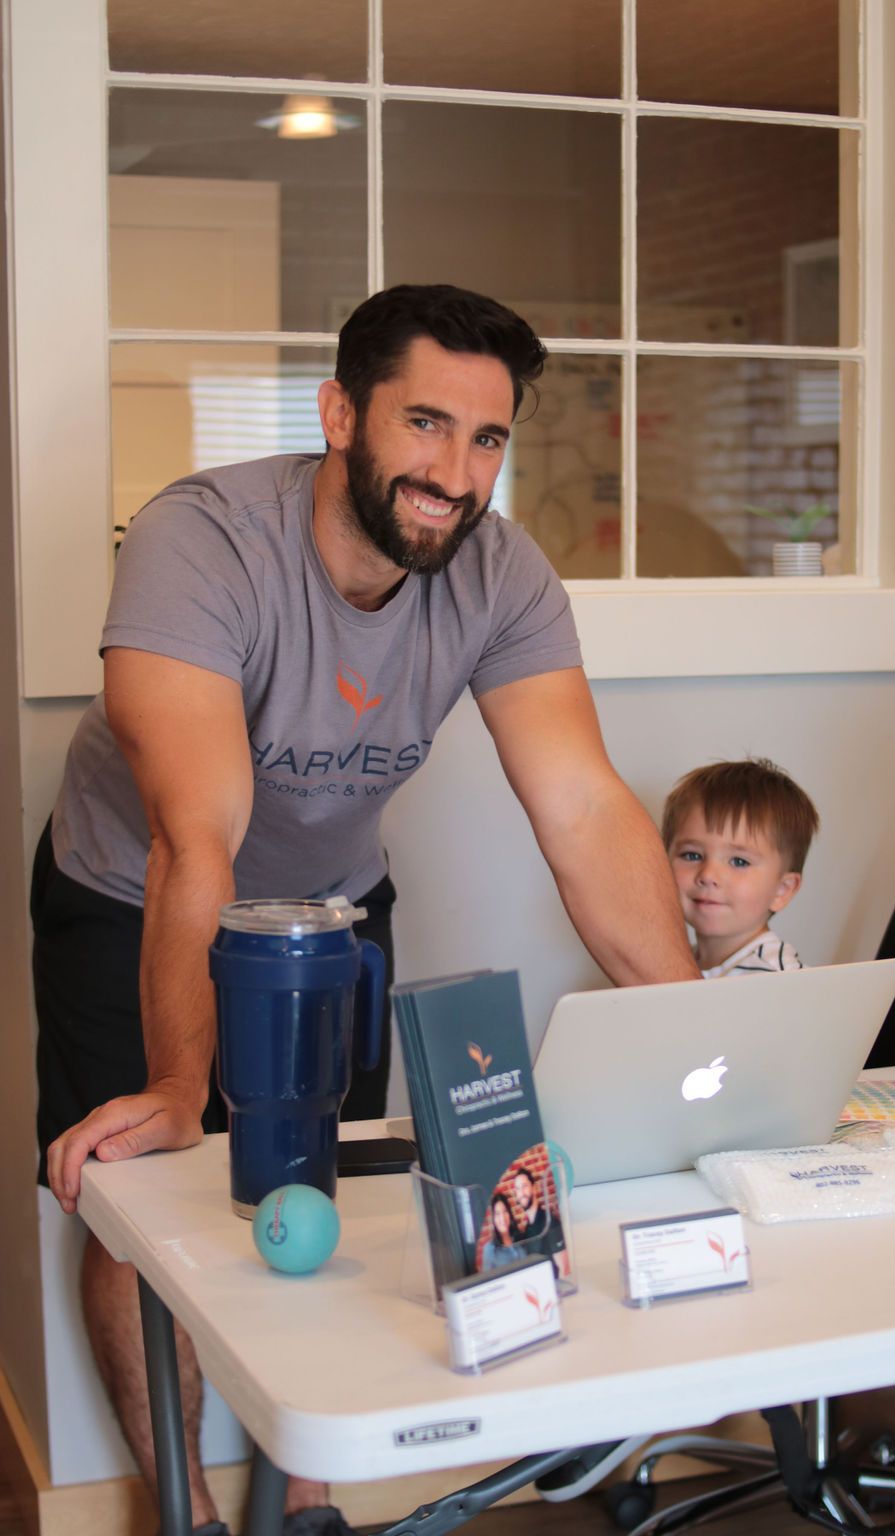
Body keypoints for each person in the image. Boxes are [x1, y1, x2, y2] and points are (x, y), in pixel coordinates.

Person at [35, 284, 700, 1536]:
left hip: (327, 907)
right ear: (341, 413)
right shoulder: (204, 539)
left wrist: (689, 1040)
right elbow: (199, 834)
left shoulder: (501, 575)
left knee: (321, 1185)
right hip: (136, 890)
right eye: (426, 425)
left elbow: (584, 808)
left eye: (489, 439)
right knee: (143, 1206)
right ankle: (178, 1509)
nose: (455, 472)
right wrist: (185, 1086)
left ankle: (304, 1503)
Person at [661, 758, 819, 979]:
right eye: (692, 855)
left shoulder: (776, 978)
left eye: (739, 862)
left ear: (781, 890)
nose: (708, 875)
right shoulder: (674, 963)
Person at [511, 1164, 568, 1279]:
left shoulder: (550, 1222)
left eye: (524, 1186)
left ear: (534, 1188)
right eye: (518, 1189)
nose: (521, 1193)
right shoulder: (527, 1228)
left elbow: (565, 1269)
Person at [478, 1191, 528, 1272]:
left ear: (509, 1214)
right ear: (493, 1219)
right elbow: (488, 1280)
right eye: (497, 1214)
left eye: (505, 1211)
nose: (502, 1217)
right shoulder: (490, 1249)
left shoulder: (520, 1238)